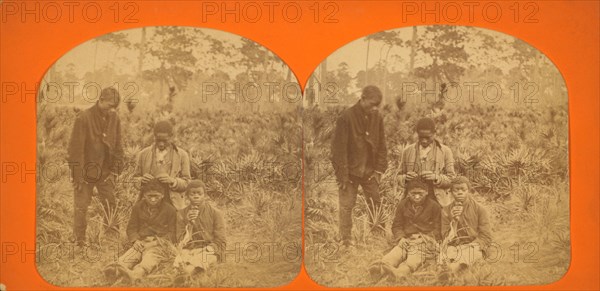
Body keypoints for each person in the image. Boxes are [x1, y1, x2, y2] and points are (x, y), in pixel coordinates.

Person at [331, 85, 388, 246]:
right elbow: (338, 149)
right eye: (371, 104)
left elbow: (382, 145)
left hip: (370, 171)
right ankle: (346, 239)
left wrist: (379, 170)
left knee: (375, 202)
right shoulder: (346, 117)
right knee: (346, 206)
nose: (374, 108)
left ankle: (378, 236)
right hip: (349, 172)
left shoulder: (377, 117)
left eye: (377, 105)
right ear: (362, 99)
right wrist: (342, 175)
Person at [68, 87, 124, 246]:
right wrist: (77, 175)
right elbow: (75, 149)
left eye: (115, 107)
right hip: (85, 172)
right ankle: (79, 240)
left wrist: (116, 170)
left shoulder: (115, 118)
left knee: (110, 203)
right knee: (81, 207)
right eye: (109, 105)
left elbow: (118, 145)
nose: (111, 110)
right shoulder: (83, 118)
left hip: (105, 172)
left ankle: (111, 238)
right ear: (100, 100)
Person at [104, 179, 177, 283]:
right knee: (130, 255)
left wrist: (155, 243)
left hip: (158, 244)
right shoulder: (138, 207)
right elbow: (131, 228)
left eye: (156, 196)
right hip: (141, 242)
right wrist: (135, 240)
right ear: (144, 195)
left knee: (150, 258)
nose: (152, 199)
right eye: (149, 196)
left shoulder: (170, 210)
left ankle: (135, 274)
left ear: (162, 195)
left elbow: (172, 233)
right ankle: (115, 271)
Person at [369, 180, 441, 280]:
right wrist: (400, 238)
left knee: (413, 258)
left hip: (424, 242)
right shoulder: (403, 205)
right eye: (413, 193)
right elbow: (397, 225)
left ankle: (400, 273)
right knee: (396, 253)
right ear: (408, 193)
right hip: (407, 239)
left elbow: (438, 229)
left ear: (426, 192)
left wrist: (424, 238)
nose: (416, 196)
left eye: (420, 193)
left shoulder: (434, 206)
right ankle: (381, 268)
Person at [133, 120, 191, 210]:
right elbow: (135, 179)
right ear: (154, 136)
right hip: (148, 203)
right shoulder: (143, 154)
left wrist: (173, 181)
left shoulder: (182, 155)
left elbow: (187, 183)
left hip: (172, 205)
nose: (161, 144)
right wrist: (141, 180)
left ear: (172, 137)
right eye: (158, 140)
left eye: (165, 140)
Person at [398, 117, 455, 206]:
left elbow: (452, 179)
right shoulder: (407, 151)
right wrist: (405, 178)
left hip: (437, 201)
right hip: (413, 199)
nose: (424, 140)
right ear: (417, 134)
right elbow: (397, 177)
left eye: (428, 137)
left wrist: (436, 178)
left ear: (434, 133)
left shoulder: (445, 151)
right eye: (421, 137)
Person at [441, 176, 493, 271]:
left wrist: (473, 245)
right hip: (454, 246)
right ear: (451, 192)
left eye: (463, 189)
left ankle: (452, 271)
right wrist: (453, 221)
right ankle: (449, 269)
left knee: (465, 256)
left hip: (474, 245)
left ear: (468, 190)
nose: (460, 192)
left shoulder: (480, 209)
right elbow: (445, 236)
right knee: (445, 257)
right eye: (456, 190)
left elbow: (486, 236)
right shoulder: (446, 210)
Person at [174, 180, 226, 274]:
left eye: (199, 193)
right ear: (187, 196)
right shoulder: (181, 214)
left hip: (209, 250)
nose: (196, 196)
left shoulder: (215, 213)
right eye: (192, 193)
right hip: (189, 249)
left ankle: (189, 275)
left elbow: (221, 240)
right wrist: (188, 223)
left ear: (205, 195)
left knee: (192, 266)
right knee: (178, 265)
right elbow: (180, 239)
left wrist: (207, 249)